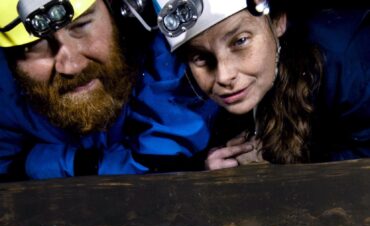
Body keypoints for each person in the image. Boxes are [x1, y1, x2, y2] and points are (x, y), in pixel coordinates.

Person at [0, 0, 219, 180]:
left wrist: (39, 161)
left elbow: (161, 168)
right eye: (34, 45)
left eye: (81, 26)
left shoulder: (168, 56)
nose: (72, 66)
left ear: (117, 13)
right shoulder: (5, 87)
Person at [149, 0, 370, 170]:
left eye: (240, 41)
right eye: (201, 57)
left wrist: (282, 168)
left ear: (278, 21)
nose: (224, 76)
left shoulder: (346, 59)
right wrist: (209, 167)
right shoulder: (189, 86)